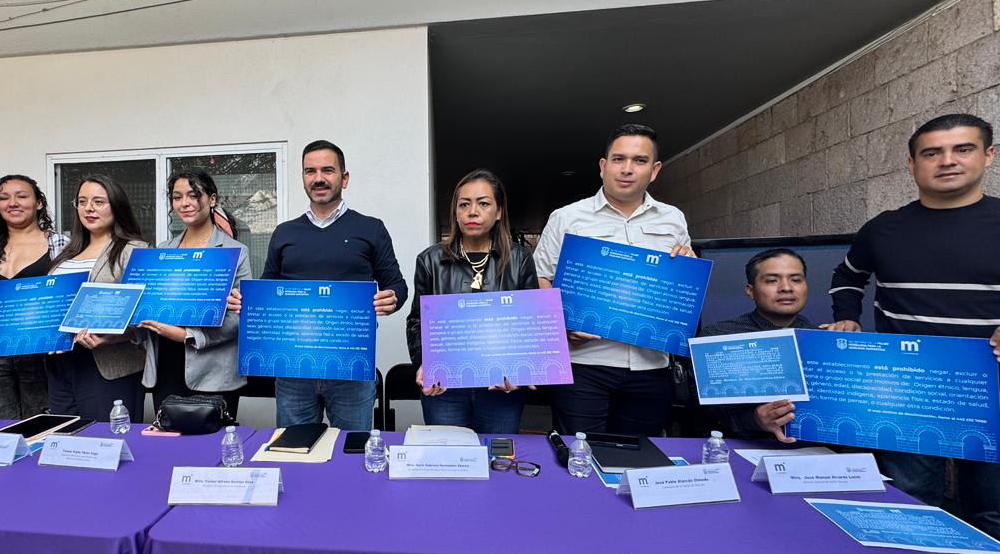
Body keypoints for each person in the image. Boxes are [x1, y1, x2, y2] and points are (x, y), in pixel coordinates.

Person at [826, 113, 1000, 551]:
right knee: (908, 508)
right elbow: (847, 276)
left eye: (962, 149)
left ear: (989, 156)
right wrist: (847, 317)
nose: (947, 161)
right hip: (908, 388)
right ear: (912, 164)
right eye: (932, 153)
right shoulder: (883, 229)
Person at [229, 140, 408, 430]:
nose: (318, 178)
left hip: (350, 366)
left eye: (328, 170)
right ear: (303, 178)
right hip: (292, 367)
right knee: (294, 449)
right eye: (310, 171)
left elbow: (397, 285)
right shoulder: (284, 232)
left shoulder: (371, 228)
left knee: (351, 449)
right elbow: (268, 289)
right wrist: (247, 303)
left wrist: (393, 298)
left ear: (344, 178)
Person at [533, 124, 694, 437]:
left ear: (655, 170)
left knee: (638, 456)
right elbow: (539, 278)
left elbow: (680, 284)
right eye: (619, 159)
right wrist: (561, 324)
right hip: (583, 365)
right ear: (603, 166)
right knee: (580, 454)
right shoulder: (567, 217)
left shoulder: (673, 218)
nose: (627, 169)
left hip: (651, 366)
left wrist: (687, 268)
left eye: (639, 160)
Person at [405, 169, 538, 432]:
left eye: (483, 203)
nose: (472, 212)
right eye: (464, 204)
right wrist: (425, 363)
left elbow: (531, 323)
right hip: (445, 386)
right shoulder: (430, 260)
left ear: (499, 212)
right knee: (448, 453)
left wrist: (522, 370)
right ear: (455, 212)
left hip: (501, 385)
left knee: (497, 455)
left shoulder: (520, 259)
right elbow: (417, 321)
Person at [140, 170, 249, 419]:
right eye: (177, 197)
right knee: (168, 438)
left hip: (213, 371)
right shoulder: (162, 251)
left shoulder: (235, 251)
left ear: (212, 199)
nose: (185, 203)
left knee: (212, 442)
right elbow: (149, 305)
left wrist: (188, 336)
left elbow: (238, 317)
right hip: (166, 363)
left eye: (193, 195)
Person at [45, 174, 149, 423]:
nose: (88, 208)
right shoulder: (67, 252)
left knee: (104, 439)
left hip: (108, 362)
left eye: (98, 202)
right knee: (64, 436)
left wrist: (113, 336)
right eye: (82, 202)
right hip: (61, 360)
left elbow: (145, 314)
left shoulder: (134, 250)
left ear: (116, 205)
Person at [0, 174, 68, 420]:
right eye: (4, 198)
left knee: (44, 427)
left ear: (38, 203)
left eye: (22, 196)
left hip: (43, 356)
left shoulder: (61, 244)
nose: (13, 203)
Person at [697, 248, 815, 442]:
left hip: (815, 450)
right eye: (772, 280)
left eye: (796, 279)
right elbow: (706, 412)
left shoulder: (822, 339)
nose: (786, 288)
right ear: (750, 291)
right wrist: (754, 420)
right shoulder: (719, 336)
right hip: (738, 447)